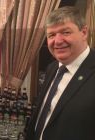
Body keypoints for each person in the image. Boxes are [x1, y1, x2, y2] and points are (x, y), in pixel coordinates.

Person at [25, 6, 95, 140]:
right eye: (51, 35)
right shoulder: (52, 68)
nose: (57, 41)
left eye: (66, 32)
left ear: (84, 32)